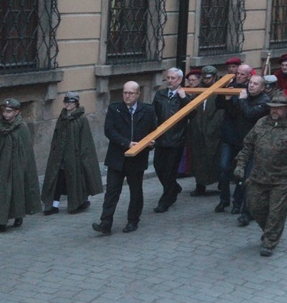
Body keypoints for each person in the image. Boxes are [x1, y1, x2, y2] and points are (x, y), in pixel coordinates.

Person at [234, 93, 287, 257]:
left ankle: (270, 241)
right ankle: (270, 230)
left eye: (279, 109)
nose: (275, 111)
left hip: (282, 180)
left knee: (276, 212)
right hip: (258, 177)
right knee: (255, 207)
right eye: (272, 108)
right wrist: (240, 165)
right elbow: (247, 146)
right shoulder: (261, 124)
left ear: (286, 110)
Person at [93, 82, 157, 234]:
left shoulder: (147, 110)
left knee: (136, 191)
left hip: (137, 158)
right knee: (112, 191)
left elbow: (153, 132)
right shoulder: (115, 108)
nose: (127, 96)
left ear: (138, 94)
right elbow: (109, 130)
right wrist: (126, 143)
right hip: (117, 157)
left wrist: (150, 144)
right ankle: (105, 223)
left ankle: (133, 220)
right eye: (125, 92)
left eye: (131, 93)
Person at [0, 98, 41, 233]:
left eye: (9, 111)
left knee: (15, 192)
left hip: (15, 167)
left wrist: (21, 167)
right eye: (4, 111)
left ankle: (18, 214)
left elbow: (26, 152)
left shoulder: (22, 128)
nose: (5, 114)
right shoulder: (0, 127)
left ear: (16, 112)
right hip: (0, 167)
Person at [41, 92, 103, 216]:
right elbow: (56, 136)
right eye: (66, 102)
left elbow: (85, 140)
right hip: (60, 156)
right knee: (57, 179)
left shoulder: (81, 119)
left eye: (71, 102)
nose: (68, 105)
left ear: (76, 103)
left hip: (75, 157)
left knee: (76, 179)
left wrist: (82, 157)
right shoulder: (62, 117)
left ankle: (80, 202)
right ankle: (54, 205)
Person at [215, 72, 269, 214]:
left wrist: (242, 100)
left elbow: (250, 114)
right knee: (224, 168)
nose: (251, 85)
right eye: (250, 82)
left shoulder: (264, 101)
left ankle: (238, 204)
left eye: (255, 84)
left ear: (262, 88)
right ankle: (224, 199)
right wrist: (227, 99)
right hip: (233, 138)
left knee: (243, 174)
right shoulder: (242, 95)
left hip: (249, 143)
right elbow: (232, 112)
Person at [152, 68, 191, 213]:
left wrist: (184, 98)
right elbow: (153, 113)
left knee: (169, 171)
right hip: (161, 138)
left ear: (179, 80)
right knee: (158, 166)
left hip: (176, 139)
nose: (169, 80)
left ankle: (166, 200)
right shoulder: (160, 94)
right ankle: (174, 187)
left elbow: (192, 114)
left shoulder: (184, 96)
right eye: (168, 77)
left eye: (173, 78)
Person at [187, 66, 224, 197]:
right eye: (204, 77)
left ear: (214, 77)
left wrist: (213, 127)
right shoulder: (198, 89)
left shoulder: (220, 90)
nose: (206, 80)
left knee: (215, 156)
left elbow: (220, 111)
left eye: (208, 77)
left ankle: (221, 182)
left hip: (213, 129)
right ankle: (200, 185)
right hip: (198, 128)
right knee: (198, 158)